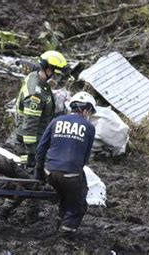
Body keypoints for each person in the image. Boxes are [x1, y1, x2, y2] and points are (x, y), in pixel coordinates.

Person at [35, 91, 96, 235]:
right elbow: (85, 159)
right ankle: (66, 235)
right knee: (78, 204)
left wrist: (39, 174)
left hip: (50, 172)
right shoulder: (89, 127)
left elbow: (41, 148)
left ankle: (59, 221)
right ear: (85, 109)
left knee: (65, 196)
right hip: (71, 174)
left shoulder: (56, 121)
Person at [13, 50, 68, 170]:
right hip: (31, 143)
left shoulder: (35, 76)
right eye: (56, 74)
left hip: (38, 136)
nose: (57, 78)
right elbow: (29, 126)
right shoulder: (36, 96)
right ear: (48, 70)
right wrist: (33, 154)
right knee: (31, 174)